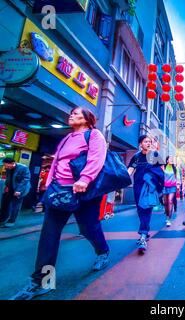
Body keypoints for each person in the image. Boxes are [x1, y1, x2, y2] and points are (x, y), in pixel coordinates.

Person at [11, 107, 109, 300]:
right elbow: (56, 164)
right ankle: (43, 281)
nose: (71, 115)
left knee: (88, 228)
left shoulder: (94, 135)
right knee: (49, 234)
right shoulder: (66, 139)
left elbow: (97, 158)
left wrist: (85, 179)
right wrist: (49, 187)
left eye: (76, 113)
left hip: (84, 191)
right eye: (70, 113)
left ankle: (103, 251)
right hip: (59, 191)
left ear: (88, 119)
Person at [128, 135, 164, 253]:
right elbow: (130, 170)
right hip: (138, 186)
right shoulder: (136, 157)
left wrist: (161, 186)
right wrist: (121, 179)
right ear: (140, 144)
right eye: (145, 141)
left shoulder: (155, 155)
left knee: (146, 208)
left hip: (150, 187)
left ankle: (143, 236)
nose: (148, 143)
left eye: (150, 141)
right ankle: (145, 230)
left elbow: (161, 171)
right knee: (140, 209)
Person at [0, 158, 31, 228]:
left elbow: (25, 180)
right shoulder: (8, 168)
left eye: (7, 165)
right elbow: (8, 178)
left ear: (13, 163)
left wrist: (18, 190)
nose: (6, 167)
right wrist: (6, 186)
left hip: (20, 190)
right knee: (4, 203)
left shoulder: (23, 168)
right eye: (5, 166)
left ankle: (12, 220)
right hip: (10, 188)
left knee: (15, 206)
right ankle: (2, 218)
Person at [163, 156, 177, 227]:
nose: (171, 160)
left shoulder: (174, 168)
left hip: (172, 187)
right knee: (165, 202)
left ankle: (169, 219)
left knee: (170, 201)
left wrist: (178, 184)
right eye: (170, 159)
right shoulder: (163, 167)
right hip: (164, 187)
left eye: (172, 159)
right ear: (167, 160)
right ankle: (167, 214)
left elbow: (176, 177)